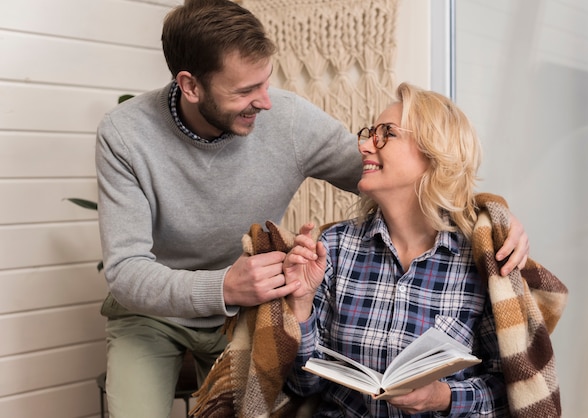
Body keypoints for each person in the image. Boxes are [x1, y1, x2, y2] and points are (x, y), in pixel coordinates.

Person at [94, 1, 529, 417]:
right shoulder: (125, 134)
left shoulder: (288, 118)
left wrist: (489, 219)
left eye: (266, 81)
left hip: (250, 314)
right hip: (155, 311)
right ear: (190, 85)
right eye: (246, 90)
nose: (266, 102)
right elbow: (127, 270)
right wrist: (225, 286)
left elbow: (405, 176)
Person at [283, 83, 513, 417]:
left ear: (435, 152)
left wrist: (443, 397)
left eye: (386, 134)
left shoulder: (481, 261)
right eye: (368, 133)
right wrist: (301, 303)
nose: (364, 145)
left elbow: (512, 390)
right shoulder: (332, 248)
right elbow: (302, 387)